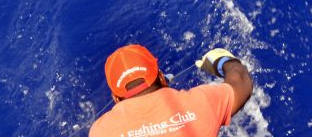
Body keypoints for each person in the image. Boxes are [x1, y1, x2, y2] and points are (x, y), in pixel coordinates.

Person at [89, 44, 253, 136]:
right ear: (160, 77)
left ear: (116, 98)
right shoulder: (203, 102)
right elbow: (242, 82)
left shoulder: (100, 130)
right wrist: (221, 60)